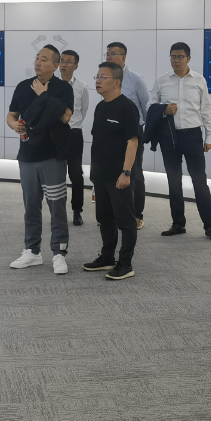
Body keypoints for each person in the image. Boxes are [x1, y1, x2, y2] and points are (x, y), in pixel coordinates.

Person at [6, 44, 74, 275]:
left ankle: (59, 253)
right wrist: (14, 125)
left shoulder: (63, 88)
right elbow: (12, 114)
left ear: (55, 66)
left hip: (52, 155)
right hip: (27, 155)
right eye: (37, 57)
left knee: (56, 206)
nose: (38, 62)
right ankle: (32, 251)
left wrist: (43, 95)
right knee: (31, 206)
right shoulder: (23, 86)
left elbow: (65, 117)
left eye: (44, 59)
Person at [151, 42, 211, 241]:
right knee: (174, 181)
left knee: (200, 182)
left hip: (192, 136)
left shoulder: (199, 80)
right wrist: (164, 110)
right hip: (169, 136)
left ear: (188, 59)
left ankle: (210, 225)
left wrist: (209, 136)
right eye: (173, 56)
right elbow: (150, 105)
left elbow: (206, 110)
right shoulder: (161, 80)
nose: (176, 60)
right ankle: (178, 223)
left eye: (180, 57)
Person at [80, 62, 140, 280]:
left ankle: (125, 264)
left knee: (125, 221)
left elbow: (132, 142)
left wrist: (126, 172)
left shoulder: (127, 107)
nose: (98, 81)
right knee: (104, 219)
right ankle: (107, 257)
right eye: (97, 77)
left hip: (119, 176)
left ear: (116, 82)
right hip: (100, 175)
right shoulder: (100, 107)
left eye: (103, 77)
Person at [105, 42, 149, 227]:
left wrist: (141, 131)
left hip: (132, 133)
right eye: (107, 54)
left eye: (112, 54)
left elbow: (146, 107)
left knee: (134, 173)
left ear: (123, 57)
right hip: (111, 133)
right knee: (113, 172)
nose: (108, 57)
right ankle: (114, 213)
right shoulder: (107, 78)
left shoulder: (136, 79)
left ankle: (137, 214)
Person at [59, 49, 90, 226]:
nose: (64, 64)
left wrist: (73, 125)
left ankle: (77, 210)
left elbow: (83, 111)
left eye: (68, 62)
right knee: (56, 174)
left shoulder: (82, 87)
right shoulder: (51, 85)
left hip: (74, 134)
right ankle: (58, 211)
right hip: (55, 134)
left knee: (76, 174)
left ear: (76, 66)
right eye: (62, 61)